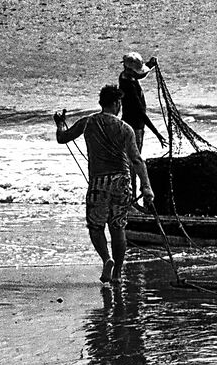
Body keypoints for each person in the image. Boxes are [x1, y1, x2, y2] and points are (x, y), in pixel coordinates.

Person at [55, 84, 151, 285]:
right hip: (121, 181)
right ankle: (117, 273)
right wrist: (146, 187)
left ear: (101, 103)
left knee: (96, 227)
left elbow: (62, 138)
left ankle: (106, 259)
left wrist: (60, 124)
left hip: (99, 181)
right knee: (118, 227)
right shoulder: (126, 128)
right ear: (117, 103)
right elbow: (136, 160)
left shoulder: (87, 122)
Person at [117, 54, 166, 151]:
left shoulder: (125, 76)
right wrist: (157, 134)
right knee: (135, 158)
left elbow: (140, 75)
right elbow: (141, 113)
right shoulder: (129, 88)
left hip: (129, 123)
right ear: (130, 70)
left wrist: (150, 65)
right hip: (134, 127)